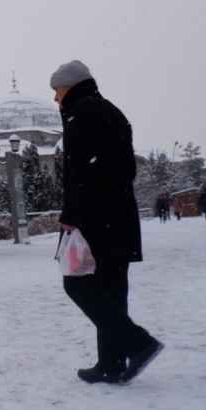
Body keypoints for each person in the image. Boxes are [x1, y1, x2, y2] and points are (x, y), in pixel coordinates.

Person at [51, 60, 162, 385]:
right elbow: (125, 170)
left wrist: (71, 216)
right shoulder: (111, 111)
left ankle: (138, 343)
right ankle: (111, 364)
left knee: (78, 282)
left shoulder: (82, 113)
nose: (56, 98)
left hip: (95, 218)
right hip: (120, 215)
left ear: (69, 85)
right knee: (111, 287)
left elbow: (80, 171)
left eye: (57, 90)